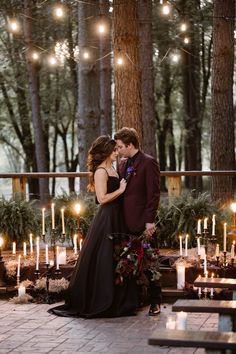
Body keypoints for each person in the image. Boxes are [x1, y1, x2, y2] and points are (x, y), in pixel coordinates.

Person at [48, 135, 138, 318]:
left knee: (118, 257)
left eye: (117, 149)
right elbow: (102, 198)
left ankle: (120, 300)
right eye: (114, 150)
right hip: (107, 218)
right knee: (104, 257)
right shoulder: (100, 172)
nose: (117, 152)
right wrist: (120, 190)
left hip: (118, 217)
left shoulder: (113, 168)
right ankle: (102, 299)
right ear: (106, 151)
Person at [114, 127, 161, 316]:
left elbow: (154, 194)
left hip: (143, 222)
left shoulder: (149, 163)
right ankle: (132, 302)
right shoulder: (122, 164)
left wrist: (150, 221)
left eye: (119, 147)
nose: (117, 151)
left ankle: (155, 302)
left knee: (150, 263)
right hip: (125, 222)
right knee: (128, 263)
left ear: (130, 144)